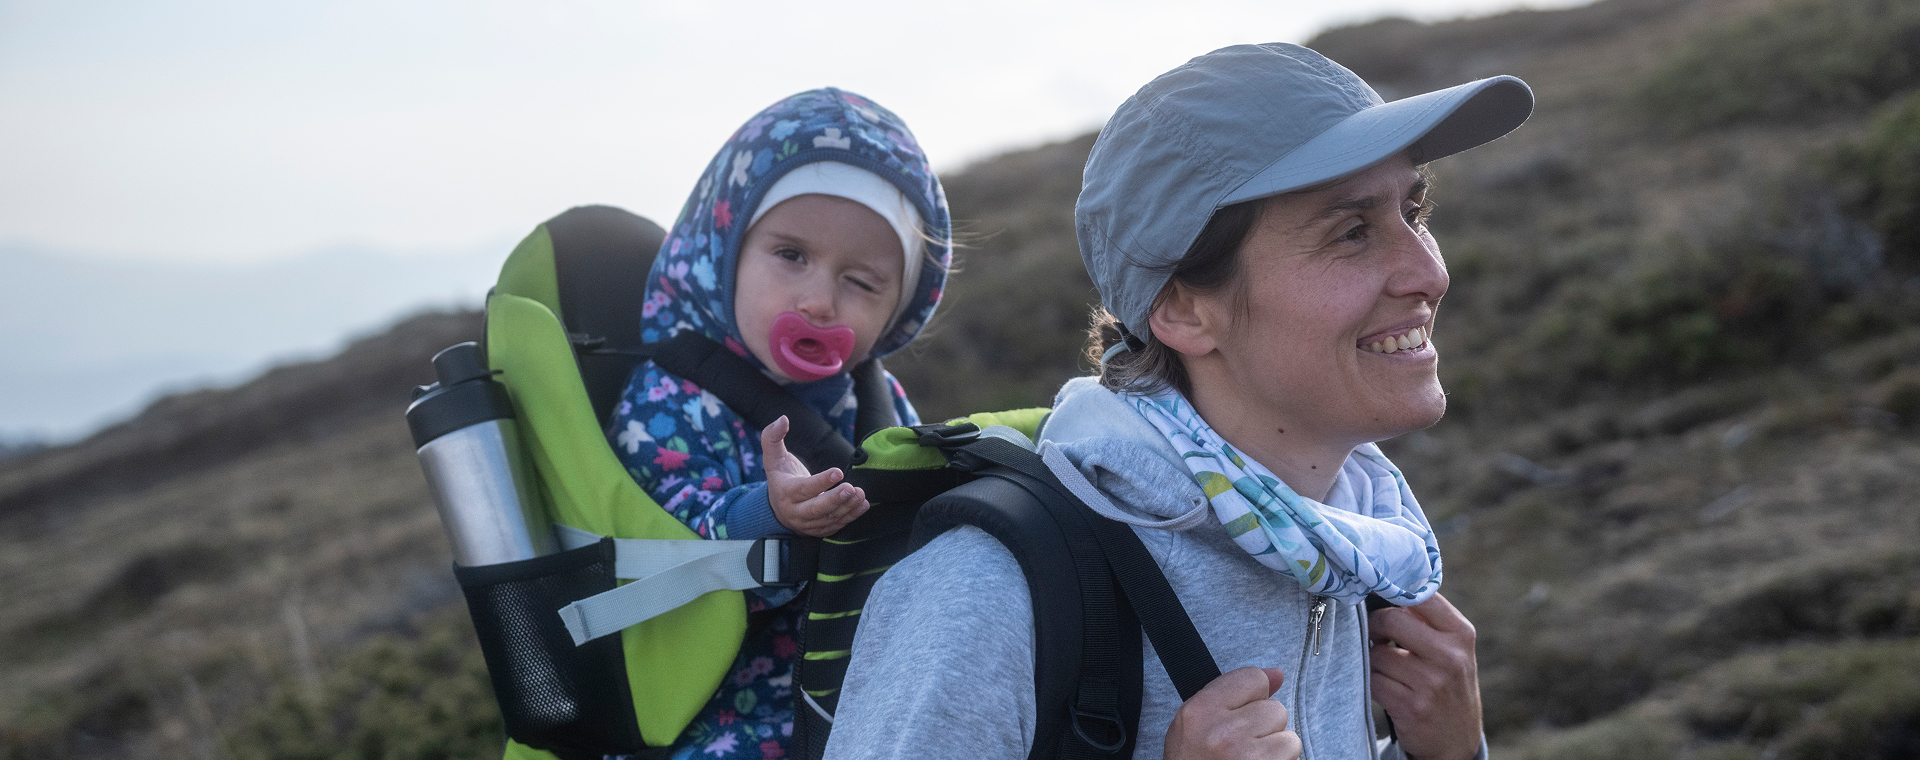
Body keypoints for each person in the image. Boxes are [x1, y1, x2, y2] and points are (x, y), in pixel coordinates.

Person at [822, 44, 1532, 760]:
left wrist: (1446, 755)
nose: (1429, 271)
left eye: (1416, 210)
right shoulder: (982, 594)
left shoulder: (1353, 550)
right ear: (1185, 311)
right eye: (1352, 232)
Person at [605, 87, 951, 760]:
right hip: (721, 711)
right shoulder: (671, 399)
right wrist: (769, 514)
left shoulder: (869, 399)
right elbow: (663, 541)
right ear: (726, 249)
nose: (819, 301)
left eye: (863, 282)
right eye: (790, 255)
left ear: (898, 313)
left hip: (862, 684)